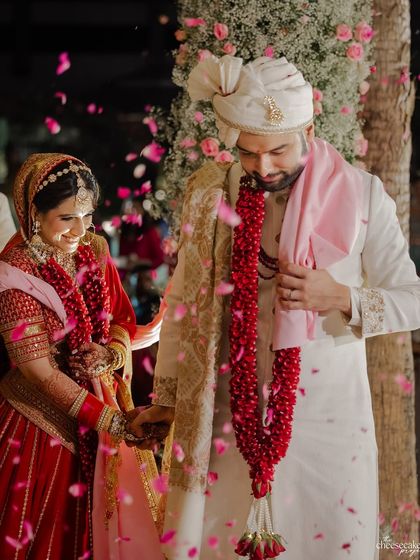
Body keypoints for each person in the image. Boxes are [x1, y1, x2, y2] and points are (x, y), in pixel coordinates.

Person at [129, 55, 420, 560]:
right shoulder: (212, 192)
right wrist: (169, 397)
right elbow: (183, 300)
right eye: (248, 153)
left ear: (308, 128)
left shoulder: (363, 195)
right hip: (226, 412)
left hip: (327, 419)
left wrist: (342, 297)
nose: (263, 168)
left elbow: (412, 300)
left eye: (278, 151)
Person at [0, 153, 165, 559]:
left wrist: (110, 353)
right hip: (42, 425)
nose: (80, 230)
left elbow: (122, 321)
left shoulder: (94, 248)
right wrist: (112, 422)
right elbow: (39, 372)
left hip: (106, 403)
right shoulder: (14, 274)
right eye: (67, 218)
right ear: (34, 213)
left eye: (87, 216)